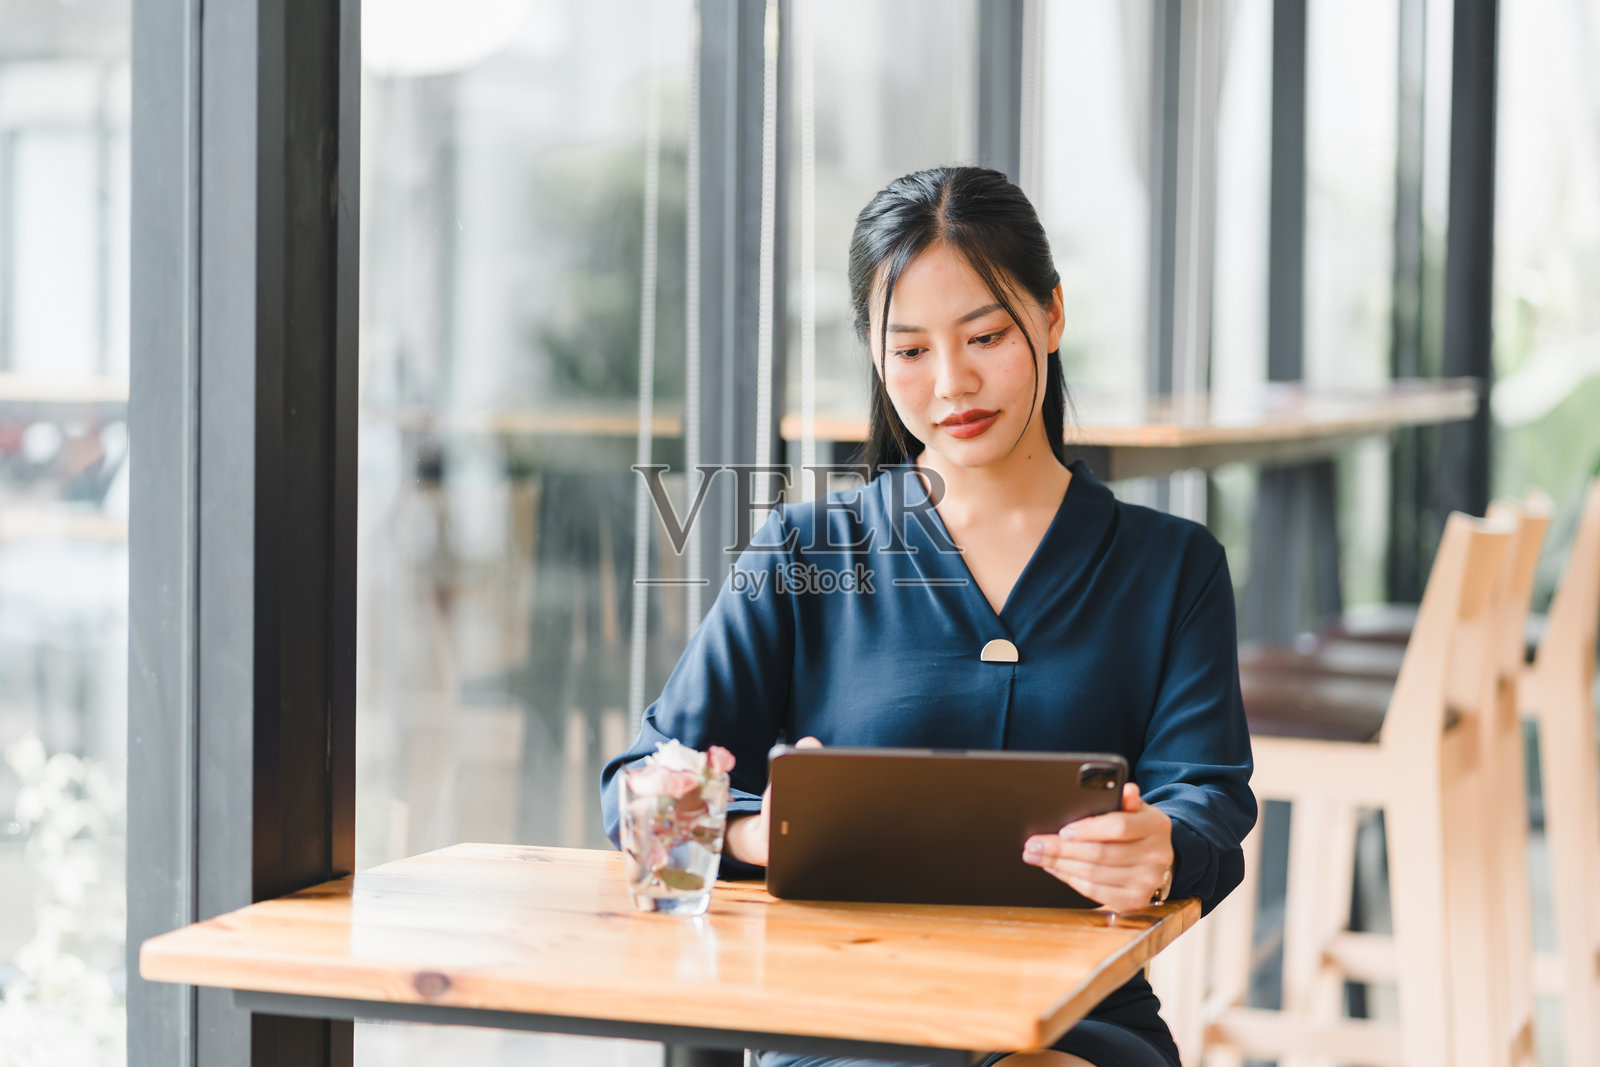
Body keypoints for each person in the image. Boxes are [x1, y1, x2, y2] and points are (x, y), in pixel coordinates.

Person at [601, 165, 1256, 1067]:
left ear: (1052, 316)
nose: (953, 382)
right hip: (847, 1016)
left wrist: (1165, 847)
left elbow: (1210, 793)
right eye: (909, 350)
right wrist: (764, 829)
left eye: (985, 335)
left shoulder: (1174, 567)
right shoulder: (803, 552)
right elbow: (642, 795)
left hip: (1074, 1008)